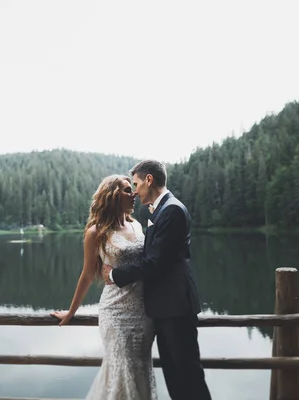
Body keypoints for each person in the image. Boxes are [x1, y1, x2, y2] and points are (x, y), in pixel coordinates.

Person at [102, 160, 212, 400]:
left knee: (188, 378)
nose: (135, 191)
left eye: (137, 184)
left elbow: (154, 263)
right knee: (175, 378)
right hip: (164, 309)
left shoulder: (171, 210)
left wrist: (113, 274)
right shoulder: (160, 210)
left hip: (175, 308)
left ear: (149, 180)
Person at [51, 174, 157, 400]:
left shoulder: (137, 226)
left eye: (133, 189)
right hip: (116, 314)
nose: (134, 194)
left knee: (139, 371)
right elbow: (88, 274)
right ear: (113, 195)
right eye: (128, 190)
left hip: (143, 314)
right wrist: (72, 312)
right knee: (123, 370)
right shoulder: (95, 232)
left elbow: (147, 265)